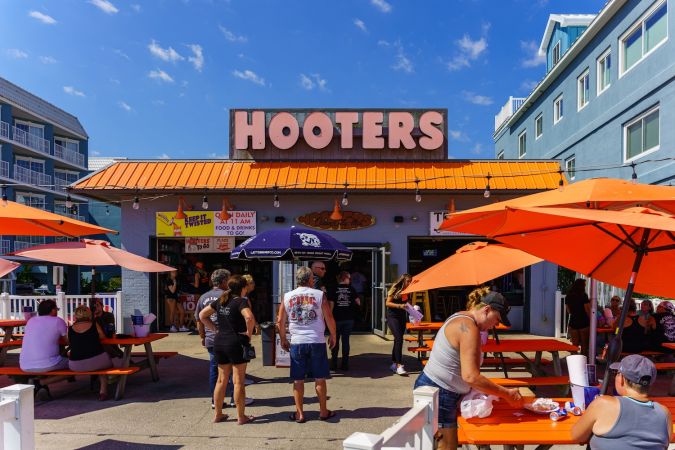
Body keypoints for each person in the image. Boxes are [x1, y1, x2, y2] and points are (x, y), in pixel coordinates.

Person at [414, 289, 522, 450]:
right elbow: (471, 376)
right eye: (497, 319)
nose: (496, 325)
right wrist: (506, 394)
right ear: (486, 310)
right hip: (440, 391)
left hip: (437, 388)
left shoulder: (462, 318)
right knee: (446, 446)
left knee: (438, 444)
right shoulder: (468, 328)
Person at [571, 354, 671, 449]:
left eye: (617, 373)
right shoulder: (664, 413)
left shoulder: (603, 404)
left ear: (622, 379)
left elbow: (577, 436)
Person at [277, 266, 337, 423]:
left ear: (297, 280)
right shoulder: (319, 295)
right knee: (320, 378)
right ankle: (323, 411)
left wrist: (283, 339)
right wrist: (333, 335)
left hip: (297, 342)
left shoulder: (287, 296)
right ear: (311, 279)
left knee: (298, 380)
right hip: (316, 341)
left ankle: (300, 414)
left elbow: (280, 320)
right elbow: (329, 317)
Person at [199, 275, 256, 424]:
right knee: (238, 382)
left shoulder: (222, 300)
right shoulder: (240, 301)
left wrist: (214, 329)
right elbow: (249, 318)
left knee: (221, 380)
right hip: (236, 342)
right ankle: (241, 416)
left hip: (220, 342)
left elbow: (202, 315)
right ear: (243, 288)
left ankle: (218, 414)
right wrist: (248, 335)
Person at [68, 305, 121, 401]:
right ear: (89, 314)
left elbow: (70, 342)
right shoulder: (94, 324)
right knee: (102, 362)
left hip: (75, 365)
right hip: (96, 361)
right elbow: (103, 337)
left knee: (97, 359)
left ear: (76, 316)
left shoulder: (71, 328)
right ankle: (103, 392)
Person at [20, 299, 69, 372]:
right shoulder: (58, 321)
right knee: (76, 364)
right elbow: (68, 341)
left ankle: (39, 379)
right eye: (56, 309)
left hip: (25, 365)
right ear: (53, 310)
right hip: (49, 364)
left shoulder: (31, 321)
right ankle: (43, 381)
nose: (57, 311)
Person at [329, 271, 361, 371]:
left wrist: (329, 318)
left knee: (335, 341)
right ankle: (345, 364)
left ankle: (334, 364)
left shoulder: (334, 289)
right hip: (348, 319)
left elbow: (331, 305)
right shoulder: (351, 289)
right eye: (349, 278)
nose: (350, 280)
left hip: (336, 319)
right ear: (345, 278)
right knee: (346, 341)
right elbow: (358, 302)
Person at [385, 274, 412, 375]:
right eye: (408, 281)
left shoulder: (408, 291)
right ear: (403, 281)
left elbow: (408, 304)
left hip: (402, 316)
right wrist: (399, 305)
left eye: (410, 281)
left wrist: (414, 311)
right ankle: (399, 365)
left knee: (398, 339)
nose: (409, 283)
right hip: (392, 316)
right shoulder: (395, 288)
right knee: (399, 339)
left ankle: (393, 364)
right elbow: (387, 303)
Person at [565, 279, 591, 357]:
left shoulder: (568, 296)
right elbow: (587, 309)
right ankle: (583, 361)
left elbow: (569, 311)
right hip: (583, 321)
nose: (585, 286)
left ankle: (574, 361)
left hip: (573, 321)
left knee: (574, 345)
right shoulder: (584, 295)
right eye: (584, 285)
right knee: (584, 344)